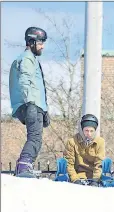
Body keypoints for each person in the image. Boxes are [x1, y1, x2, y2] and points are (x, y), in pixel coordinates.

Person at [9, 26, 50, 177]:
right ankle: (24, 167)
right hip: (32, 105)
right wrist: (31, 104)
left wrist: (44, 109)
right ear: (31, 42)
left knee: (35, 138)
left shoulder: (29, 59)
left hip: (33, 105)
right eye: (40, 42)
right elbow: (24, 80)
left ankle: (23, 166)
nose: (42, 46)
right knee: (35, 139)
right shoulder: (27, 58)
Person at [64, 114, 105, 186]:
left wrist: (95, 180)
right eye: (86, 130)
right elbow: (69, 164)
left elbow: (99, 164)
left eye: (91, 131)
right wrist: (75, 180)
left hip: (94, 177)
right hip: (77, 177)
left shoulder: (100, 142)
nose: (89, 133)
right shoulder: (72, 142)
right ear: (82, 129)